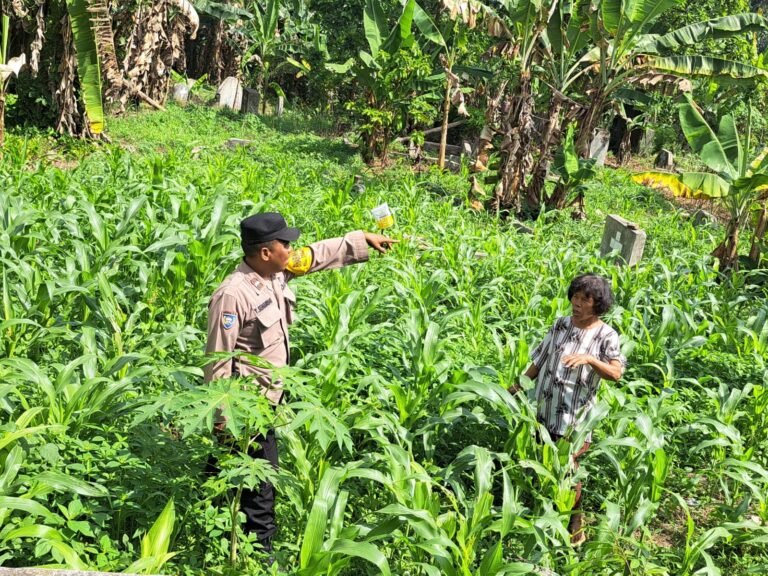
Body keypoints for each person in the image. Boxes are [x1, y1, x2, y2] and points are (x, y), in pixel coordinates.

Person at [204, 212, 396, 554]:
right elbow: (217, 360)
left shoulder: (276, 273)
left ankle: (207, 526)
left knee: (223, 474)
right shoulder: (233, 295)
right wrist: (223, 418)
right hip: (246, 411)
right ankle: (259, 557)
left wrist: (361, 239)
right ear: (266, 252)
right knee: (261, 489)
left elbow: (315, 255)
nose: (292, 249)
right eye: (285, 244)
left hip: (269, 399)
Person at [511, 273, 626, 545]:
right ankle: (542, 520)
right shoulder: (560, 324)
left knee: (569, 471)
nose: (577, 303)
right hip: (545, 409)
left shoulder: (606, 335)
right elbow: (540, 360)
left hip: (574, 418)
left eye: (585, 299)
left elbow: (616, 373)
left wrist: (590, 359)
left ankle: (575, 526)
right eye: (575, 296)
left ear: (598, 304)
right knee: (543, 465)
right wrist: (516, 388)